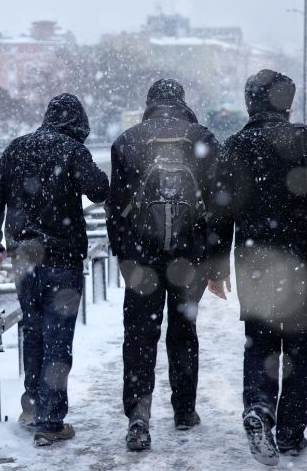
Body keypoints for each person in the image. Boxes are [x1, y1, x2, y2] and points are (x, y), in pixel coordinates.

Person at [207, 69, 307, 466]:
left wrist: (216, 268)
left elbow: (219, 212)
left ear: (249, 102)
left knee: (261, 343)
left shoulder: (233, 146)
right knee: (301, 351)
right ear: (286, 104)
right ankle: (290, 435)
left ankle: (258, 409)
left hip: (254, 262)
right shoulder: (305, 139)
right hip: (304, 262)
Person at [0, 93, 109, 447]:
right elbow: (99, 190)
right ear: (78, 123)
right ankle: (51, 422)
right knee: (58, 339)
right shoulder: (72, 150)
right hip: (62, 259)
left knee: (33, 331)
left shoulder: (17, 148)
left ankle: (32, 406)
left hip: (25, 258)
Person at [105, 79, 220, 451]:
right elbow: (219, 204)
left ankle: (139, 417)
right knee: (183, 333)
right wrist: (212, 259)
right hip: (189, 259)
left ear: (150, 102)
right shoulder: (201, 138)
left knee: (140, 336)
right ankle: (184, 410)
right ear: (182, 101)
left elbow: (115, 209)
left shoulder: (127, 141)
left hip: (142, 260)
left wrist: (124, 255)